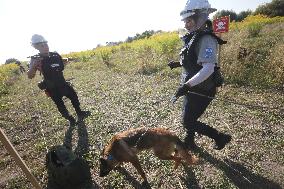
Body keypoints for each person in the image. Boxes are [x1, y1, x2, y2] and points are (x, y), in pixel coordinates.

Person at [168, 0, 231, 150]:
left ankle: (219, 137)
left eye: (189, 20)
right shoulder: (193, 36)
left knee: (187, 121)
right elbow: (194, 60)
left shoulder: (206, 39)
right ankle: (189, 140)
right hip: (192, 87)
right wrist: (177, 64)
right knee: (189, 115)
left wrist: (186, 86)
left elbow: (208, 68)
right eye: (185, 21)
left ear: (200, 18)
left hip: (203, 89)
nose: (185, 24)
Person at [27, 34, 90, 124]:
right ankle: (70, 119)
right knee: (60, 106)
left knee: (74, 97)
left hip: (63, 83)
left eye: (46, 44)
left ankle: (80, 113)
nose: (45, 47)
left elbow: (61, 63)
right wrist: (33, 66)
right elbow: (30, 76)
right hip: (52, 88)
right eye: (41, 45)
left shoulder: (55, 55)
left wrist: (69, 60)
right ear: (36, 47)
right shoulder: (35, 59)